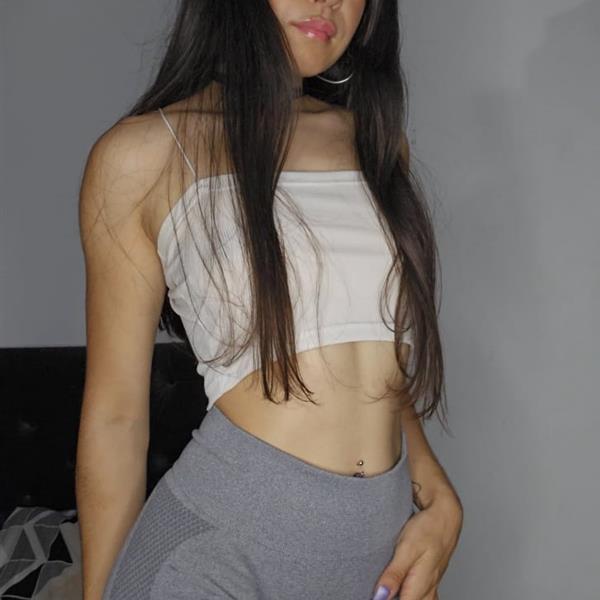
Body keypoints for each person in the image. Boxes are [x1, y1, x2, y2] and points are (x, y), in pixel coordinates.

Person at [76, 1, 463, 599]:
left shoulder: (374, 142)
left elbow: (375, 346)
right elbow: (116, 418)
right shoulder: (142, 155)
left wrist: (434, 490)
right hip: (217, 554)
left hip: (377, 548)